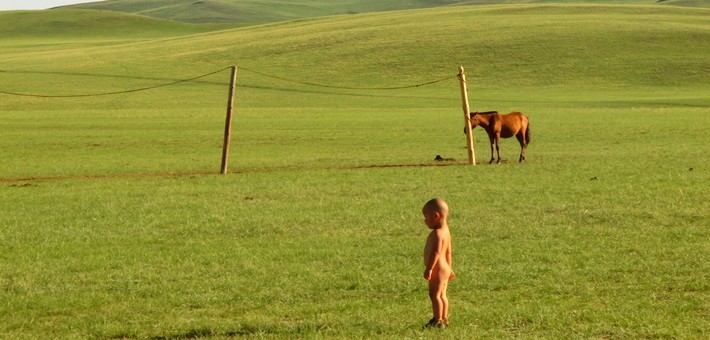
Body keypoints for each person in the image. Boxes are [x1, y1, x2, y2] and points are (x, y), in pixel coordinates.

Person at [422, 198, 455, 329]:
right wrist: (450, 268)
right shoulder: (446, 231)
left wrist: (429, 268)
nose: (424, 220)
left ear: (436, 216)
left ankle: (437, 320)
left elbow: (436, 252)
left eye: (426, 217)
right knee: (442, 295)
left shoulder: (437, 234)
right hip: (445, 268)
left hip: (438, 269)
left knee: (434, 295)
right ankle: (444, 318)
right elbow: (448, 252)